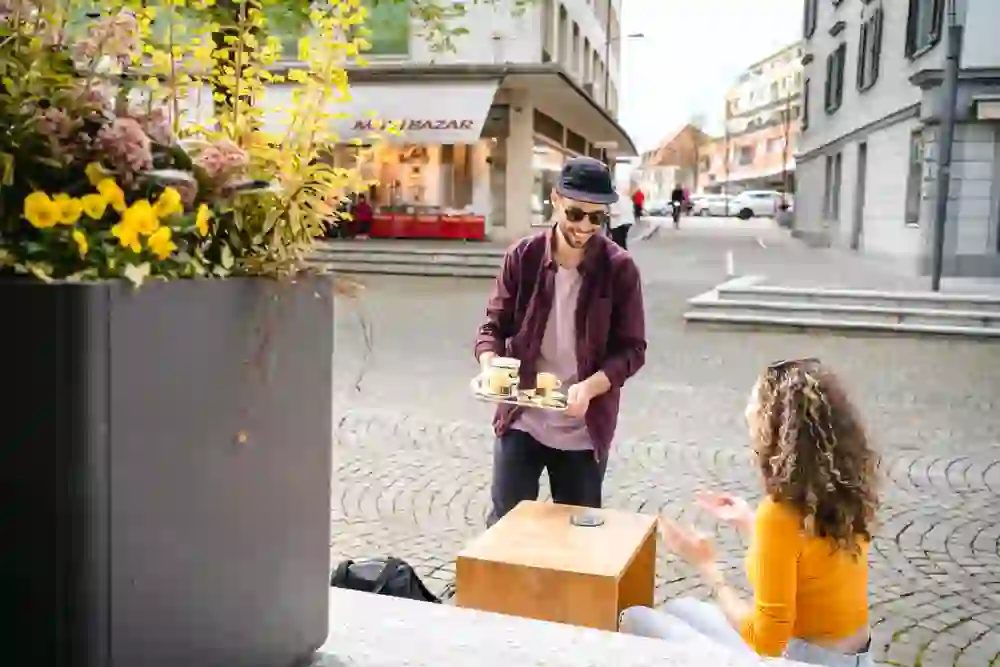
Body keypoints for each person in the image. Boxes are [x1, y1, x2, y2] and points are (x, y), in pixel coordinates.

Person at [620, 358, 879, 667]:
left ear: (778, 428)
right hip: (854, 659)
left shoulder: (780, 513)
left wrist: (708, 568)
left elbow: (767, 642)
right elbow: (808, 558)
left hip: (800, 661)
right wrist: (749, 522)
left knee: (635, 619)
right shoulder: (842, 489)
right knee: (681, 608)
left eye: (755, 407)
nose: (748, 413)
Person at [474, 156, 647, 527]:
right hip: (523, 416)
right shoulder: (523, 257)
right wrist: (491, 366)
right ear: (555, 199)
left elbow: (633, 350)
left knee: (578, 538)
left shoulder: (619, 269)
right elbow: (492, 327)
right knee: (506, 526)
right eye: (575, 213)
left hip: (584, 429)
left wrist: (589, 388)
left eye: (596, 218)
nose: (585, 226)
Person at [609, 184, 635, 249]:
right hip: (628, 221)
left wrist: (607, 213)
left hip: (618, 223)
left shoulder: (614, 198)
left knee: (618, 243)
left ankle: (622, 256)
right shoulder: (624, 197)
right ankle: (624, 255)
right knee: (622, 241)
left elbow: (615, 212)